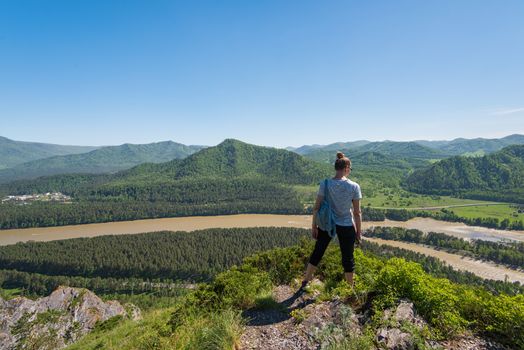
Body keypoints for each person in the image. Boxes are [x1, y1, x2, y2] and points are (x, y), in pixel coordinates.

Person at [302, 151, 362, 288]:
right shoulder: (354, 187)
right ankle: (350, 289)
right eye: (350, 169)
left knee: (318, 251)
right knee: (348, 258)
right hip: (346, 224)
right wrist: (358, 232)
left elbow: (316, 207)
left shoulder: (325, 183)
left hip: (327, 223)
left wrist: (314, 226)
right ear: (346, 168)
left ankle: (306, 280)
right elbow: (357, 213)